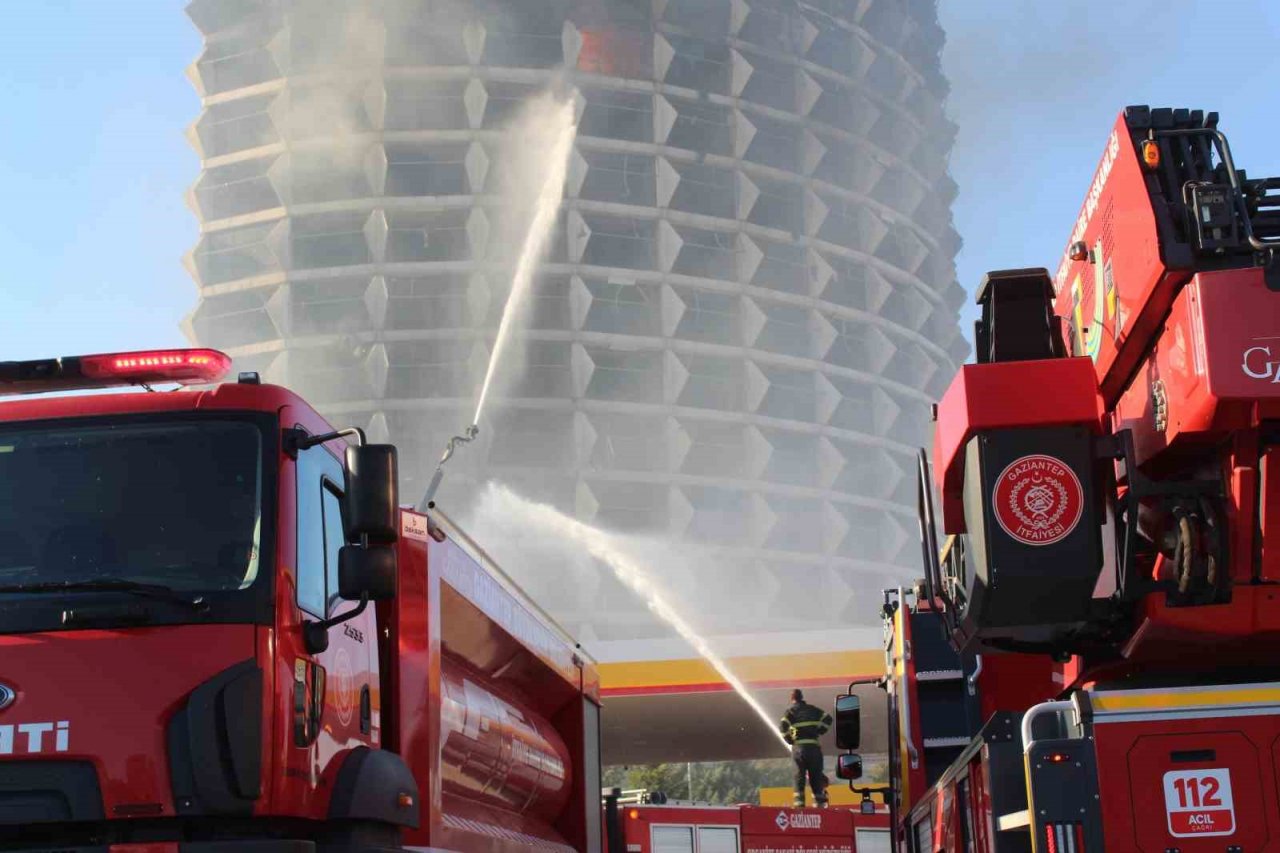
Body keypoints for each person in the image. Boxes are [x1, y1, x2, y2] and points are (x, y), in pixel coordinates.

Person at [779, 688, 833, 808]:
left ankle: (800, 807)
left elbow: (782, 727)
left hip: (799, 749)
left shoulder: (791, 712)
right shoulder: (813, 709)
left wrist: (789, 740)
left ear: (792, 699)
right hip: (814, 748)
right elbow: (828, 718)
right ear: (802, 697)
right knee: (816, 777)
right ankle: (819, 806)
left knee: (799, 778)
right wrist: (820, 731)